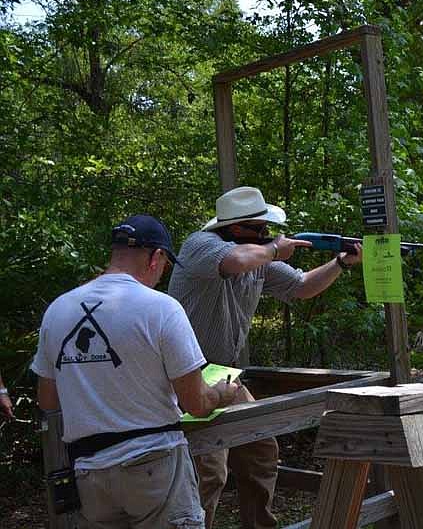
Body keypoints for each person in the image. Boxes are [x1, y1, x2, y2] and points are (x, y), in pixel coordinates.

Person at [168, 186, 361, 529]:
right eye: (261, 230)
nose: (267, 235)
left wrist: (340, 262)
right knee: (209, 470)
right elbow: (237, 260)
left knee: (261, 451)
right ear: (238, 229)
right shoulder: (200, 246)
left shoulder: (259, 259)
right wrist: (273, 249)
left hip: (224, 374)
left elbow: (301, 286)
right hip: (188, 374)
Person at [31, 214, 240, 529]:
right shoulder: (161, 308)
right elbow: (195, 403)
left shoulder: (59, 310)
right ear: (156, 257)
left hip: (89, 472)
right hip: (154, 465)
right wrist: (222, 394)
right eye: (165, 264)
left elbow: (47, 401)